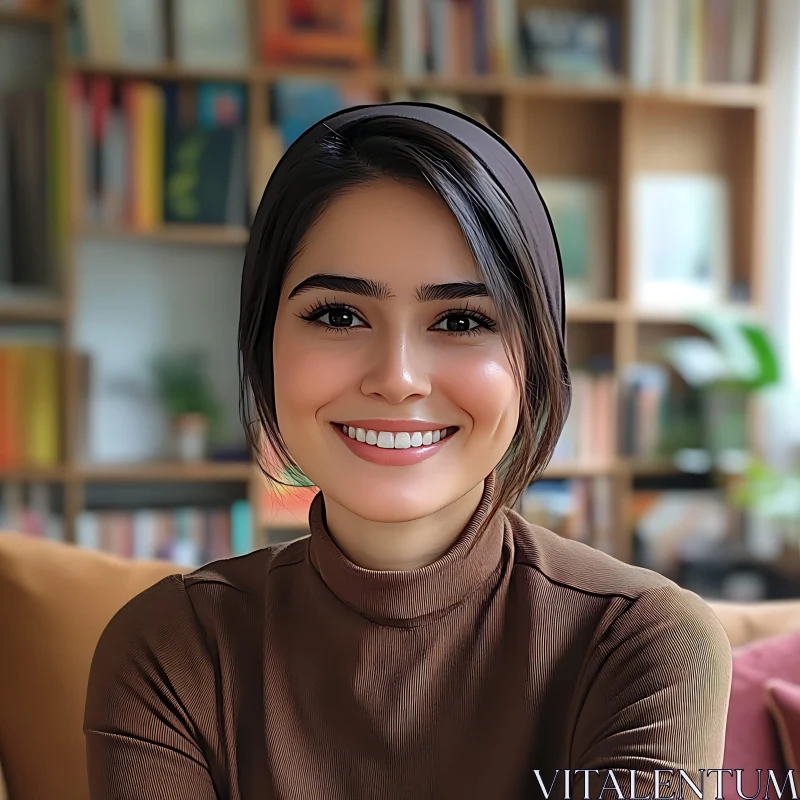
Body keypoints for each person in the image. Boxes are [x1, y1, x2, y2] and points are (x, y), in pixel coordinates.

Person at [84, 102, 733, 800]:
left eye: (460, 320)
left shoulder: (642, 645)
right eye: (338, 314)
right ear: (264, 343)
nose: (397, 379)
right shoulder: (171, 651)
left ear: (536, 361)